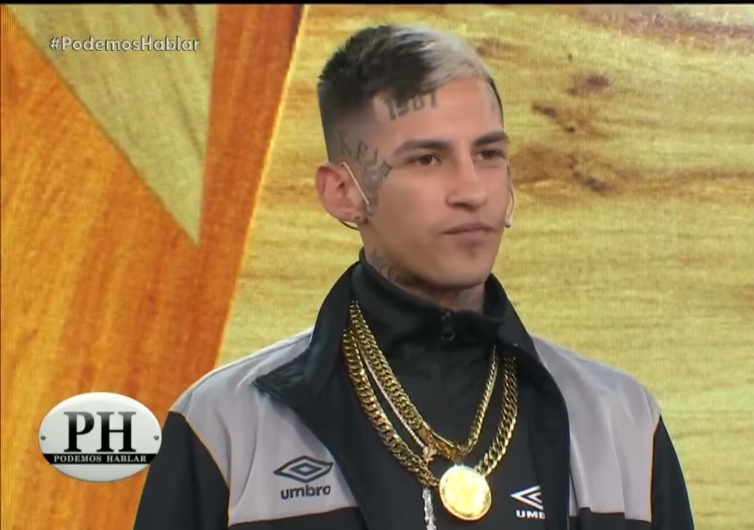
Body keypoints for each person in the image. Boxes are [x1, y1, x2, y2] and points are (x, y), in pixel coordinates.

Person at [133, 24, 694, 530]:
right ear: (344, 192)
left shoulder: (622, 420)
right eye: (427, 159)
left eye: (489, 154)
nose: (472, 191)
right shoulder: (224, 427)